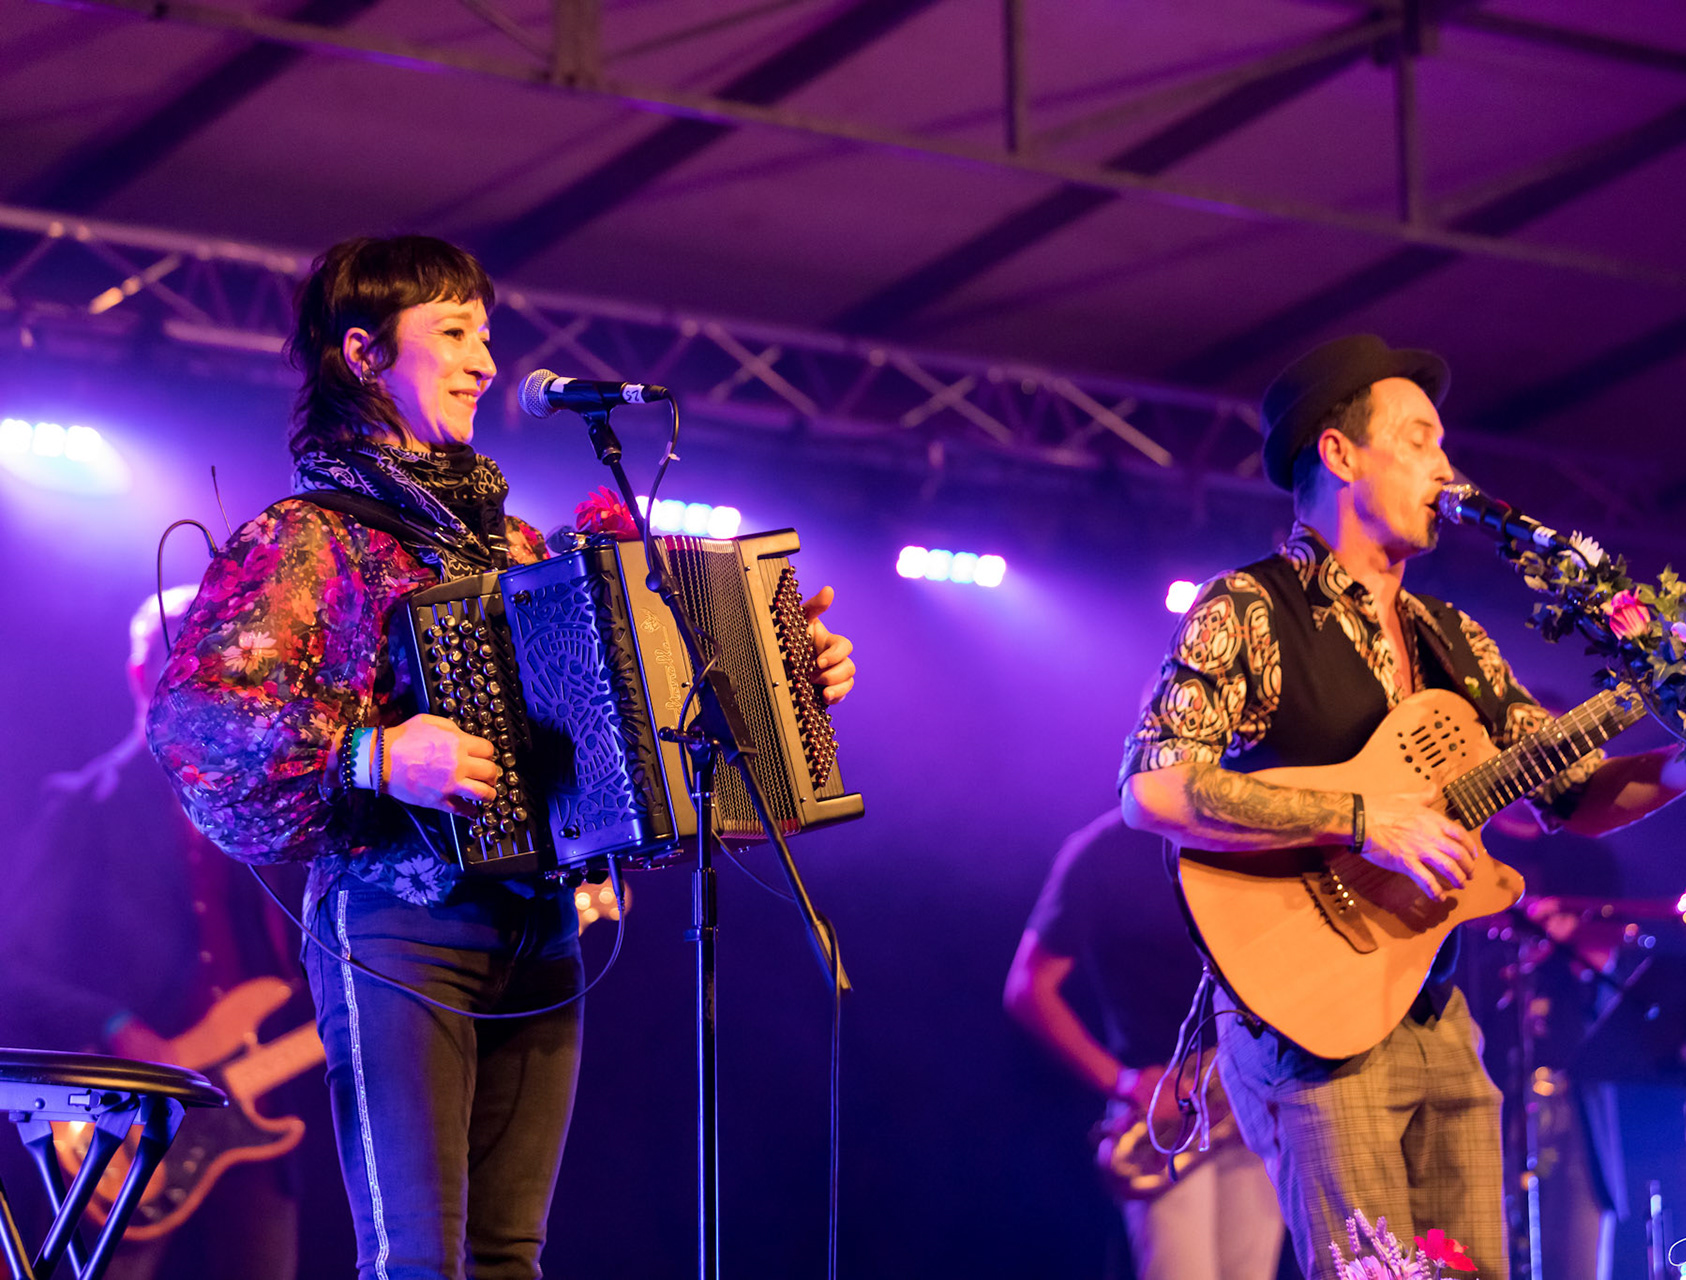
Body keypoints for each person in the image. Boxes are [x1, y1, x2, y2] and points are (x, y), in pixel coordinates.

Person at [145, 235, 856, 1280]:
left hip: (541, 929)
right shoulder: (308, 538)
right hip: (398, 924)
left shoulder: (520, 548)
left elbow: (624, 747)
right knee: (417, 1261)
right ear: (364, 353)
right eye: (453, 333)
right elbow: (197, 722)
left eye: (486, 334)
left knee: (509, 1257)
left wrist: (784, 676)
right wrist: (372, 753)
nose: (485, 361)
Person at [1116, 334, 1686, 1280]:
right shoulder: (1249, 609)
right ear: (1340, 454)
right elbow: (1153, 787)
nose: (1446, 464)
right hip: (1309, 1017)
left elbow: (1571, 793)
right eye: (1420, 439)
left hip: (1434, 1005)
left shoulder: (1453, 637)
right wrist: (1361, 819)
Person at [0, 587, 310, 1280]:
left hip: (255, 1106)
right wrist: (114, 1025)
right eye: (181, 653)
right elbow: (12, 963)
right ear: (140, 671)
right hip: (129, 1109)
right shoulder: (83, 804)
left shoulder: (259, 801)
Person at [1005, 807, 1288, 1280]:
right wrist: (1123, 1082)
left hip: (1254, 1093)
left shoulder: (1243, 834)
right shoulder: (1100, 853)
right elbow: (1028, 986)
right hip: (1162, 1114)